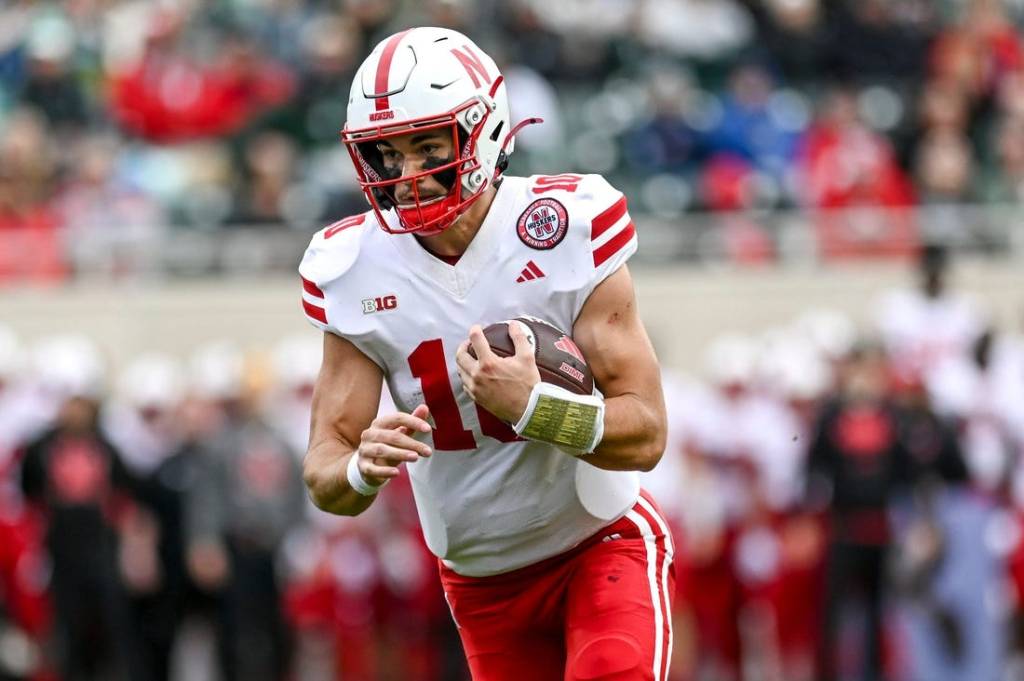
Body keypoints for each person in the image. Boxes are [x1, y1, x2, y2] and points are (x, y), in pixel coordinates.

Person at [299, 27, 673, 681]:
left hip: (599, 542)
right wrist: (362, 466)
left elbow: (645, 431)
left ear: (482, 130)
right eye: (388, 153)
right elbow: (325, 472)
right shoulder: (353, 267)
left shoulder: (564, 227)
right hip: (482, 582)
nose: (408, 175)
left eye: (426, 145)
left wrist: (537, 408)